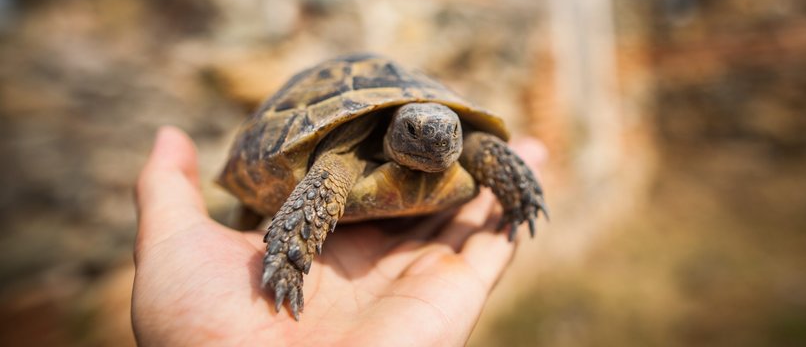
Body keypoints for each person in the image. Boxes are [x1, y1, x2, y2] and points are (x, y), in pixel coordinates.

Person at [131, 126, 547, 346]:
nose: (437, 142)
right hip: (332, 167)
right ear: (395, 132)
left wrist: (519, 192)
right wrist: (289, 257)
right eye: (418, 132)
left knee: (487, 148)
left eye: (450, 135)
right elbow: (327, 174)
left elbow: (480, 146)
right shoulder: (338, 163)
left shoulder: (466, 143)